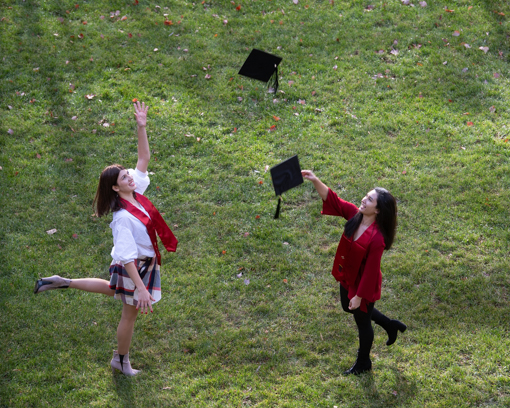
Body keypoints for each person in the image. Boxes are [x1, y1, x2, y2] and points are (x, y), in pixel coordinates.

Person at [34, 101, 178, 376]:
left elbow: (144, 159)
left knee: (115, 290)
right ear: (115, 187)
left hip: (141, 263)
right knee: (130, 313)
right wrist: (142, 289)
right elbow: (126, 258)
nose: (130, 177)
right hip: (134, 266)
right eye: (125, 177)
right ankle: (120, 361)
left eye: (128, 174)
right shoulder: (122, 218)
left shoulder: (134, 195)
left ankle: (64, 282)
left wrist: (142, 127)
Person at [302, 170, 406, 375]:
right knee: (348, 308)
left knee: (362, 321)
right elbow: (334, 201)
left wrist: (359, 296)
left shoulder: (377, 239)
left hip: (364, 285)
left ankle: (363, 362)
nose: (363, 200)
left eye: (369, 199)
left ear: (378, 210)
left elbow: (371, 270)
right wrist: (315, 180)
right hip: (347, 277)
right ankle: (388, 324)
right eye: (366, 196)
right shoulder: (355, 216)